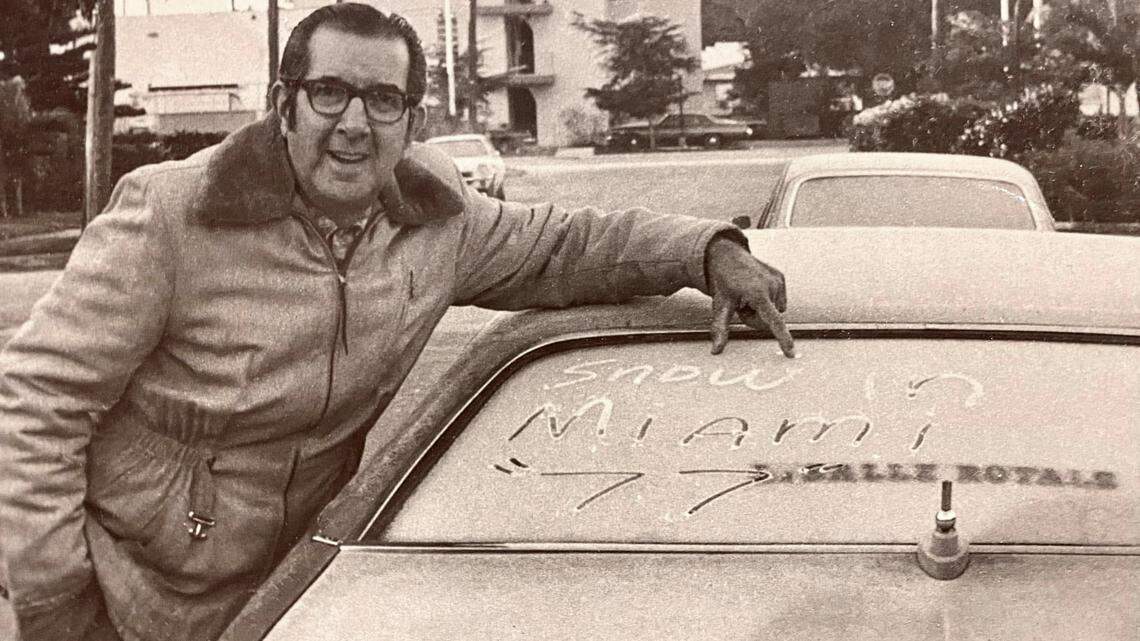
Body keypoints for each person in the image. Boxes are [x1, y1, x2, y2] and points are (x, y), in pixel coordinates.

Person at [0, 5, 794, 641]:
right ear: (285, 105)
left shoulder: (434, 219)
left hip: (291, 593)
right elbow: (34, 401)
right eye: (329, 93)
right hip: (133, 593)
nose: (354, 123)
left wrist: (704, 249)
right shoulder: (175, 212)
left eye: (383, 100)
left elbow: (565, 244)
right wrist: (56, 601)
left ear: (412, 122)